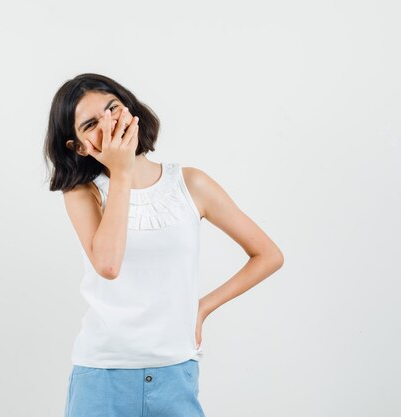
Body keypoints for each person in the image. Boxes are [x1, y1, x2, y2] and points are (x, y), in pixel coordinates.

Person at [43, 73, 284, 417]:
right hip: (102, 377)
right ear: (78, 146)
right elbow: (109, 265)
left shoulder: (190, 183)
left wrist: (201, 308)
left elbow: (268, 255)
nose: (109, 123)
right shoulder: (83, 193)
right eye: (91, 123)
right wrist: (121, 172)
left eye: (113, 108)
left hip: (175, 371)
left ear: (130, 110)